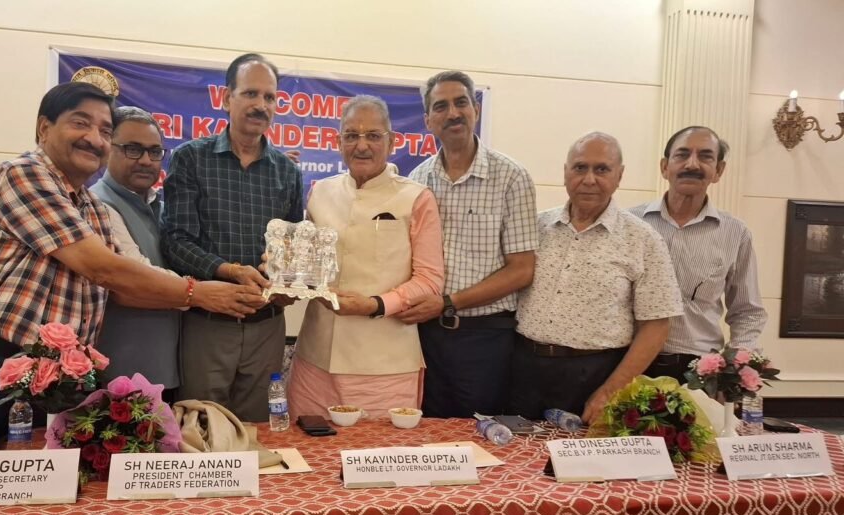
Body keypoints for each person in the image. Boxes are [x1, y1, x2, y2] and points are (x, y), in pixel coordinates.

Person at [0, 82, 263, 452]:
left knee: (44, 484)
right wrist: (199, 293)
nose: (94, 138)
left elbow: (123, 289)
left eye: (104, 130)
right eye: (80, 123)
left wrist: (224, 284)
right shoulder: (23, 174)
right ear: (44, 128)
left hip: (55, 380)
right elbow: (102, 268)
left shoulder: (93, 209)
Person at [163, 53, 303, 423]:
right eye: (251, 94)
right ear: (227, 98)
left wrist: (289, 284)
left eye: (270, 97)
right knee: (200, 428)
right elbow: (175, 241)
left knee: (258, 430)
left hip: (267, 325)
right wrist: (231, 271)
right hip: (207, 323)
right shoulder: (191, 159)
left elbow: (291, 253)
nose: (261, 105)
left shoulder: (287, 172)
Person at [289, 95, 445, 419]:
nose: (362, 145)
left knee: (380, 451)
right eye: (351, 135)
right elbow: (308, 263)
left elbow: (430, 280)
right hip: (315, 360)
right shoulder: (320, 193)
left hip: (385, 366)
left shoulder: (415, 197)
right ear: (338, 142)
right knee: (307, 445)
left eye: (373, 135)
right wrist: (285, 270)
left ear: (392, 142)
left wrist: (375, 304)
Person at [511, 132, 682, 424]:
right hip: (524, 371)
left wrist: (610, 390)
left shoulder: (643, 239)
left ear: (619, 175)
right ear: (565, 172)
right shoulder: (535, 228)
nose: (589, 179)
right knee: (516, 452)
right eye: (580, 168)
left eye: (601, 169)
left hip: (595, 375)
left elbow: (656, 325)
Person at [403, 71, 537, 419]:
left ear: (475, 109)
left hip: (485, 340)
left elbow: (522, 270)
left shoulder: (512, 177)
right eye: (441, 106)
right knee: (425, 433)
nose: (453, 113)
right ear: (428, 120)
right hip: (425, 336)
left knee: (481, 437)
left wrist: (449, 302)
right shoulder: (417, 181)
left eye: (461, 102)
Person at [630, 126, 767, 380]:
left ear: (719, 171)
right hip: (629, 364)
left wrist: (734, 372)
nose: (692, 164)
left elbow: (748, 312)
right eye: (682, 155)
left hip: (699, 371)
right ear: (664, 167)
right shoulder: (630, 224)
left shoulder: (735, 233)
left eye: (705, 156)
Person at [89, 106, 181, 402]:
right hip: (118, 376)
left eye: (154, 152)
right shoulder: (97, 205)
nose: (145, 160)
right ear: (108, 148)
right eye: (133, 149)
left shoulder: (161, 208)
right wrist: (207, 291)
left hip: (165, 368)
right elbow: (133, 278)